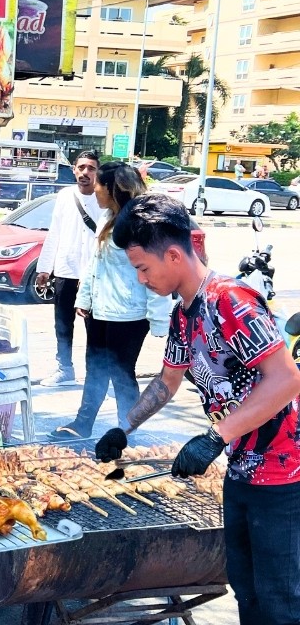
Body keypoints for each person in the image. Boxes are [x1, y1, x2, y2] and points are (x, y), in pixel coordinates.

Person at [95, 192, 300, 624]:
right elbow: (168, 381)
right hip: (243, 470)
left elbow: (286, 378)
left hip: (285, 475)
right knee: (247, 589)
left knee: (280, 600)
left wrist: (214, 437)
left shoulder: (231, 300)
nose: (141, 280)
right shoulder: (184, 315)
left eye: (143, 269)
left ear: (173, 255)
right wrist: (124, 428)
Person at [47, 163, 170, 441]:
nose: (96, 190)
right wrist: (85, 298)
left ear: (112, 188)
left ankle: (127, 430)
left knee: (122, 374)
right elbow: (95, 263)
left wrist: (160, 318)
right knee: (95, 369)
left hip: (129, 315)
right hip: (101, 311)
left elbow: (153, 271)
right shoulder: (107, 216)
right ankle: (83, 424)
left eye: (100, 185)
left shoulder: (140, 224)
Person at [33, 151, 103, 386]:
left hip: (92, 275)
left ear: (97, 172)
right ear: (74, 169)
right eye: (81, 167)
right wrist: (44, 268)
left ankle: (96, 374)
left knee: (95, 326)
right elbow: (54, 232)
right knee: (62, 323)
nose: (85, 173)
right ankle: (65, 368)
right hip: (65, 270)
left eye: (91, 168)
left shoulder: (104, 198)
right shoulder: (64, 196)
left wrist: (92, 274)